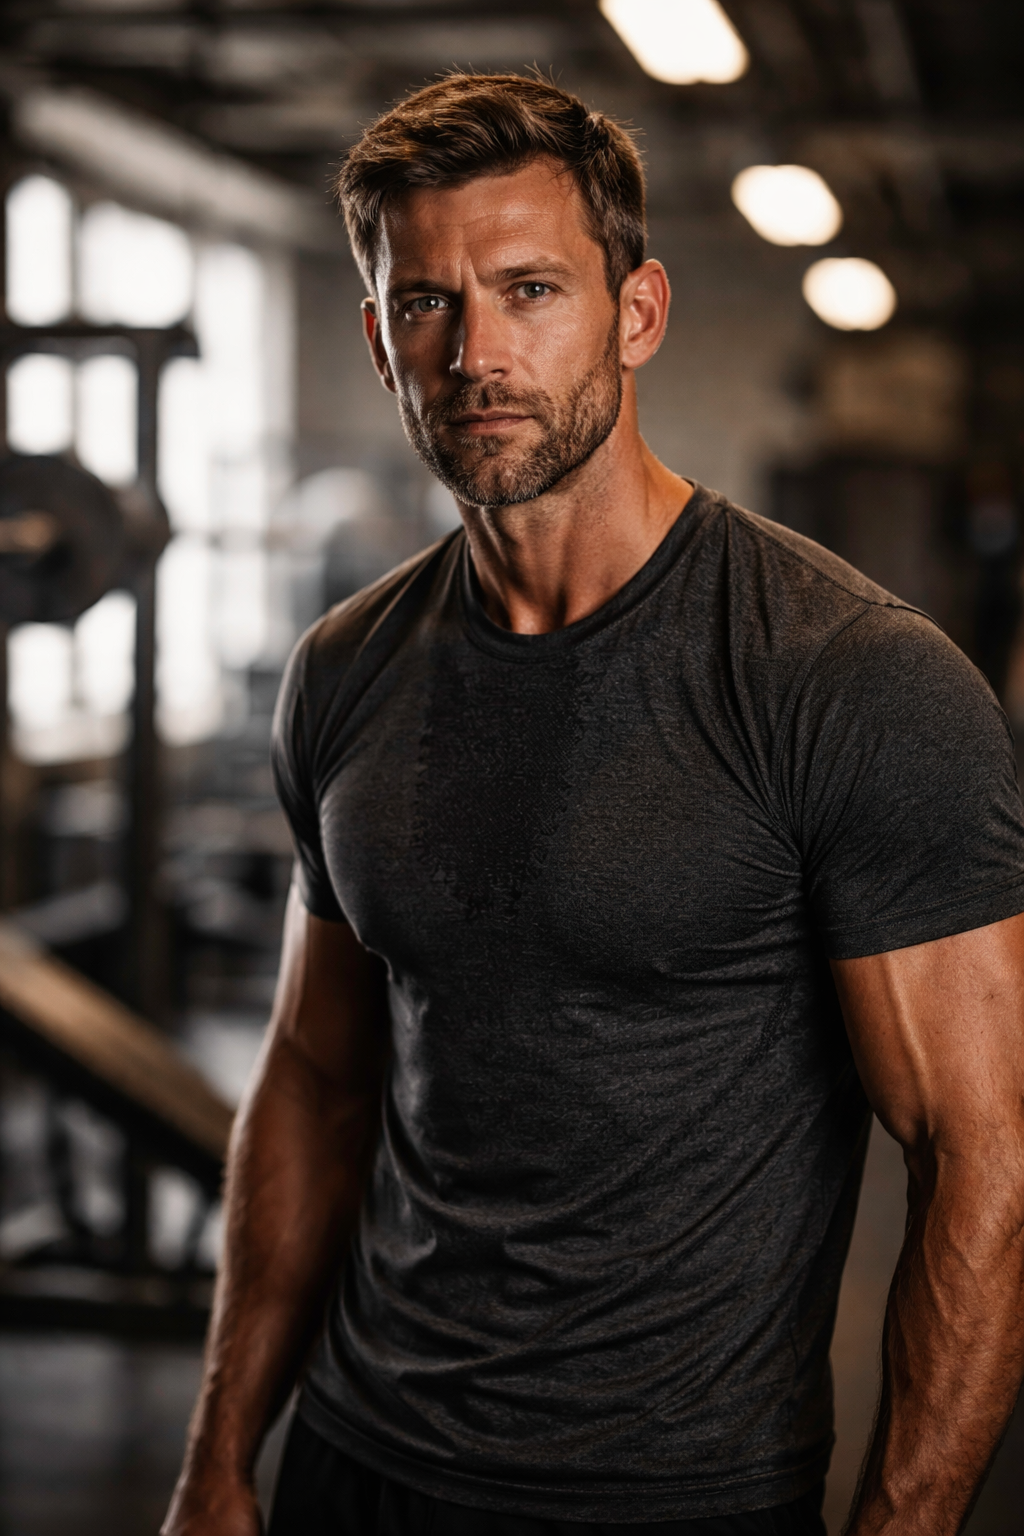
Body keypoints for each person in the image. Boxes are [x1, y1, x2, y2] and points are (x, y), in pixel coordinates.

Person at [163, 75, 1024, 1536]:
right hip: (357, 1461)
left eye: (532, 289)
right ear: (380, 343)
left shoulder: (845, 677)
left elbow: (980, 1152)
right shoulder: (347, 671)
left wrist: (907, 1519)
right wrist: (221, 1453)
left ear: (637, 314)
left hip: (667, 1495)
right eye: (428, 304)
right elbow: (314, 1075)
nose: (480, 352)